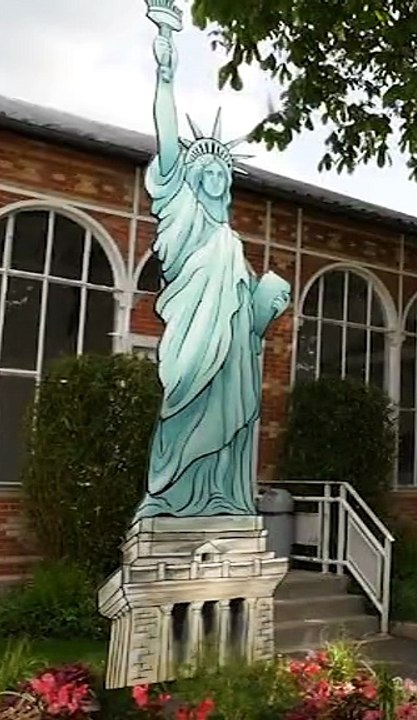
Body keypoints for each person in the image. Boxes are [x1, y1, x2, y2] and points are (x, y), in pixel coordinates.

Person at [134, 20, 291, 519]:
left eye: (225, 171)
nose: (218, 175)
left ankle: (223, 497)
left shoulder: (231, 241)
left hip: (234, 351)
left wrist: (264, 308)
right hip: (193, 338)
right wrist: (165, 76)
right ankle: (168, 497)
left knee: (230, 415)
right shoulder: (181, 213)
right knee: (184, 400)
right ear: (191, 178)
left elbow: (245, 316)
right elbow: (168, 140)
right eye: (208, 169)